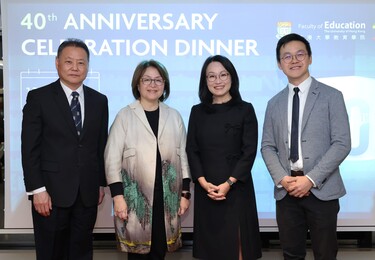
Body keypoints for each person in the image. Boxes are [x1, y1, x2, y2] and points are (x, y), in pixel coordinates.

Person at [261, 33, 351, 260]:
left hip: (322, 190)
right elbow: (267, 147)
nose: (294, 60)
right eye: (287, 56)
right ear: (279, 64)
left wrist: (310, 179)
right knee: (291, 254)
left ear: (310, 58)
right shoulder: (274, 103)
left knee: (326, 254)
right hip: (287, 190)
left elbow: (342, 143)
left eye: (300, 54)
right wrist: (283, 179)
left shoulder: (332, 96)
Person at [21, 38, 109, 259]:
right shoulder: (38, 98)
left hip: (87, 193)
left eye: (81, 63)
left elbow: (100, 145)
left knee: (81, 251)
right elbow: (29, 148)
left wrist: (100, 182)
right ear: (57, 63)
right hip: (49, 193)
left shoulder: (99, 100)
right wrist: (37, 190)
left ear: (88, 66)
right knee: (51, 251)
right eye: (69, 62)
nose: (75, 68)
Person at [104, 59, 191, 260]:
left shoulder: (174, 116)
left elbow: (183, 157)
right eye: (147, 80)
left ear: (165, 85)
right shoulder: (124, 116)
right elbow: (111, 159)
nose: (153, 85)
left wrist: (185, 194)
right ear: (137, 84)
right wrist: (118, 197)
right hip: (135, 202)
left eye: (158, 80)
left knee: (160, 252)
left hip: (167, 200)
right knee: (137, 254)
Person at [186, 55, 262, 260]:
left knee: (238, 249)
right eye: (211, 76)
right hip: (206, 190)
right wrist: (203, 183)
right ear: (205, 81)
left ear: (232, 77)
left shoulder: (245, 109)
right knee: (210, 249)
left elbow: (249, 152)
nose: (217, 81)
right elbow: (191, 150)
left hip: (236, 188)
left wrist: (229, 182)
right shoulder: (197, 111)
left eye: (223, 75)